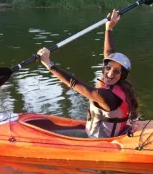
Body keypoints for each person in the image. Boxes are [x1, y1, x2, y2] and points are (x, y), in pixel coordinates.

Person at [37, 9, 139, 138]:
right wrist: (109, 28)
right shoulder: (118, 84)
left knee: (51, 136)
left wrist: (48, 64)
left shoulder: (107, 97)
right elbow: (109, 53)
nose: (110, 74)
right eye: (108, 68)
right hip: (103, 134)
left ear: (122, 75)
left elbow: (73, 83)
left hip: (99, 141)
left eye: (116, 71)